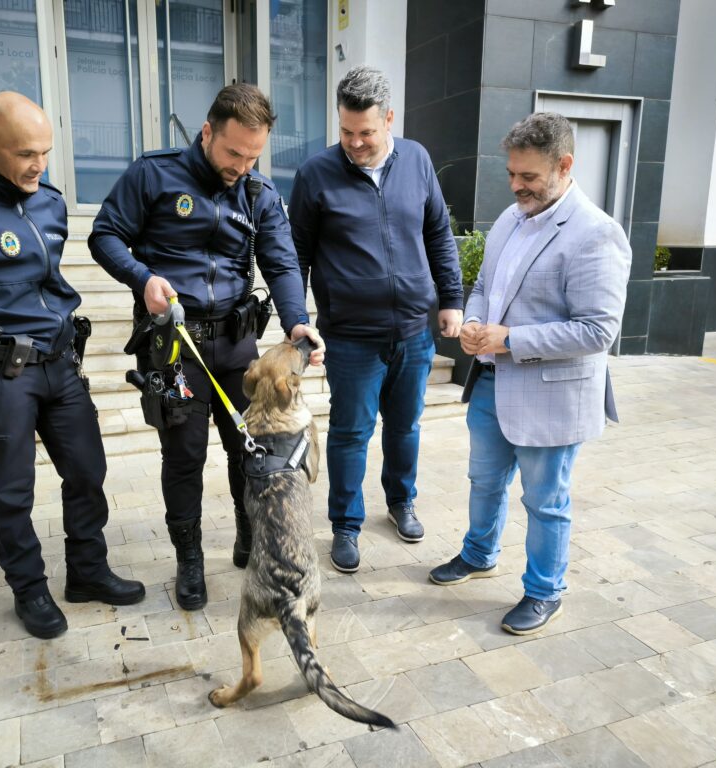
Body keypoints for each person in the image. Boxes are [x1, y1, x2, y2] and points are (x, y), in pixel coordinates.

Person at [0, 91, 145, 640]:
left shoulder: (50, 202)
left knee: (87, 472)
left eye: (45, 152)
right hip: (1, 372)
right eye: (24, 154)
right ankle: (29, 589)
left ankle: (87, 572)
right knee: (12, 491)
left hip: (60, 362)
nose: (38, 165)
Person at [88, 84, 324, 611]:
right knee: (185, 454)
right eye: (232, 152)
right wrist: (142, 277)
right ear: (207, 133)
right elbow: (104, 235)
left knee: (250, 448)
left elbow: (283, 264)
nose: (241, 165)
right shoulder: (153, 174)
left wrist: (298, 324)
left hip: (238, 344)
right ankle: (189, 559)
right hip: (175, 348)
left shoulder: (259, 193)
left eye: (252, 155)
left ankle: (248, 534)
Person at [429, 112, 632, 635]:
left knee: (546, 501)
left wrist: (511, 339)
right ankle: (479, 555)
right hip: (492, 385)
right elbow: (482, 289)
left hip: (551, 396)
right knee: (484, 481)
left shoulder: (597, 233)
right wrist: (475, 322)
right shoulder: (510, 218)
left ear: (564, 166)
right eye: (512, 174)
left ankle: (545, 592)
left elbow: (597, 332)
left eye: (530, 177)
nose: (517, 186)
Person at [288, 65, 463, 574]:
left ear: (389, 119)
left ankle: (401, 502)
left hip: (413, 329)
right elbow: (293, 255)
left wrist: (450, 299)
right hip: (350, 336)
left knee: (405, 426)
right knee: (350, 432)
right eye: (346, 132)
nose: (355, 143)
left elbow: (438, 234)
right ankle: (345, 524)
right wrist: (298, 319)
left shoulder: (418, 160)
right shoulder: (315, 175)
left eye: (366, 132)